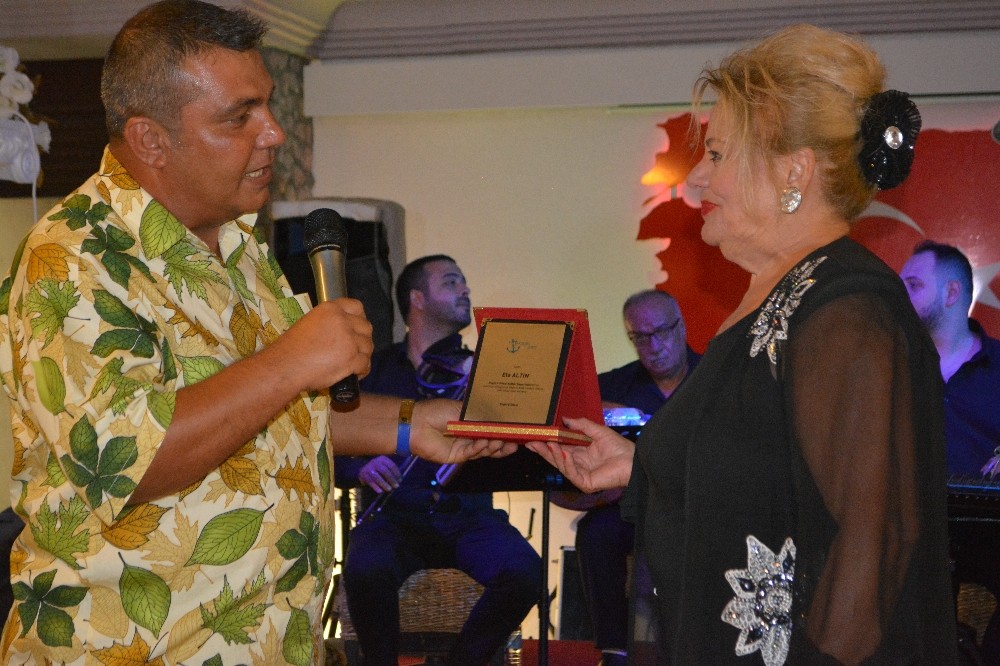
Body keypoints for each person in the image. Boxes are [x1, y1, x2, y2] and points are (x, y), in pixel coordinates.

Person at [0, 3, 512, 663]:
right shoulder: (73, 257)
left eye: (267, 105)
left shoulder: (239, 247)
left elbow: (270, 414)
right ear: (150, 140)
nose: (272, 132)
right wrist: (291, 361)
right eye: (239, 116)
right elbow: (126, 459)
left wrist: (413, 425)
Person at [528, 23, 956, 664]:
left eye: (719, 154)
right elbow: (763, 478)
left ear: (794, 170)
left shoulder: (845, 311)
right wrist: (638, 466)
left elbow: (873, 546)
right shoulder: (775, 298)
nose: (698, 178)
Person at [335, 255, 541, 666]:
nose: (465, 289)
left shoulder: (479, 371)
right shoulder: (373, 372)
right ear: (417, 299)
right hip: (394, 517)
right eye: (451, 282)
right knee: (364, 567)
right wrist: (361, 468)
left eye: (463, 282)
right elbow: (325, 449)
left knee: (525, 571)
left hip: (468, 517)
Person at [553, 289, 698, 666]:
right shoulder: (612, 388)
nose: (654, 346)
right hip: (633, 507)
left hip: (698, 506)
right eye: (641, 337)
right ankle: (613, 648)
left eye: (661, 332)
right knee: (596, 531)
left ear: (681, 327)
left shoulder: (712, 379)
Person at [900, 240, 1000, 662]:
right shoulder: (891, 367)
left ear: (952, 293)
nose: (900, 294)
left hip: (989, 539)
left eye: (913, 284)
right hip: (908, 538)